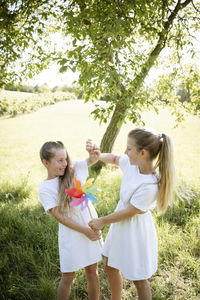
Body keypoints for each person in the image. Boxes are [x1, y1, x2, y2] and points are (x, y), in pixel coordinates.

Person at [89, 127, 175, 300]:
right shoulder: (132, 164)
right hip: (121, 225)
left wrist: (102, 221)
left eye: (129, 148)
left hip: (135, 230)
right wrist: (98, 154)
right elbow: (113, 158)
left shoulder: (150, 185)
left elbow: (129, 212)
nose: (125, 152)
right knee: (110, 267)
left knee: (138, 277)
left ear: (142, 153)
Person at [38, 140, 102, 300]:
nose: (65, 164)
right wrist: (85, 231)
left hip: (90, 226)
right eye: (59, 161)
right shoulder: (45, 188)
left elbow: (92, 160)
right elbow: (59, 216)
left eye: (65, 159)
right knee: (68, 275)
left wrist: (93, 153)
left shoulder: (75, 170)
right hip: (72, 234)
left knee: (92, 272)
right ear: (45, 163)